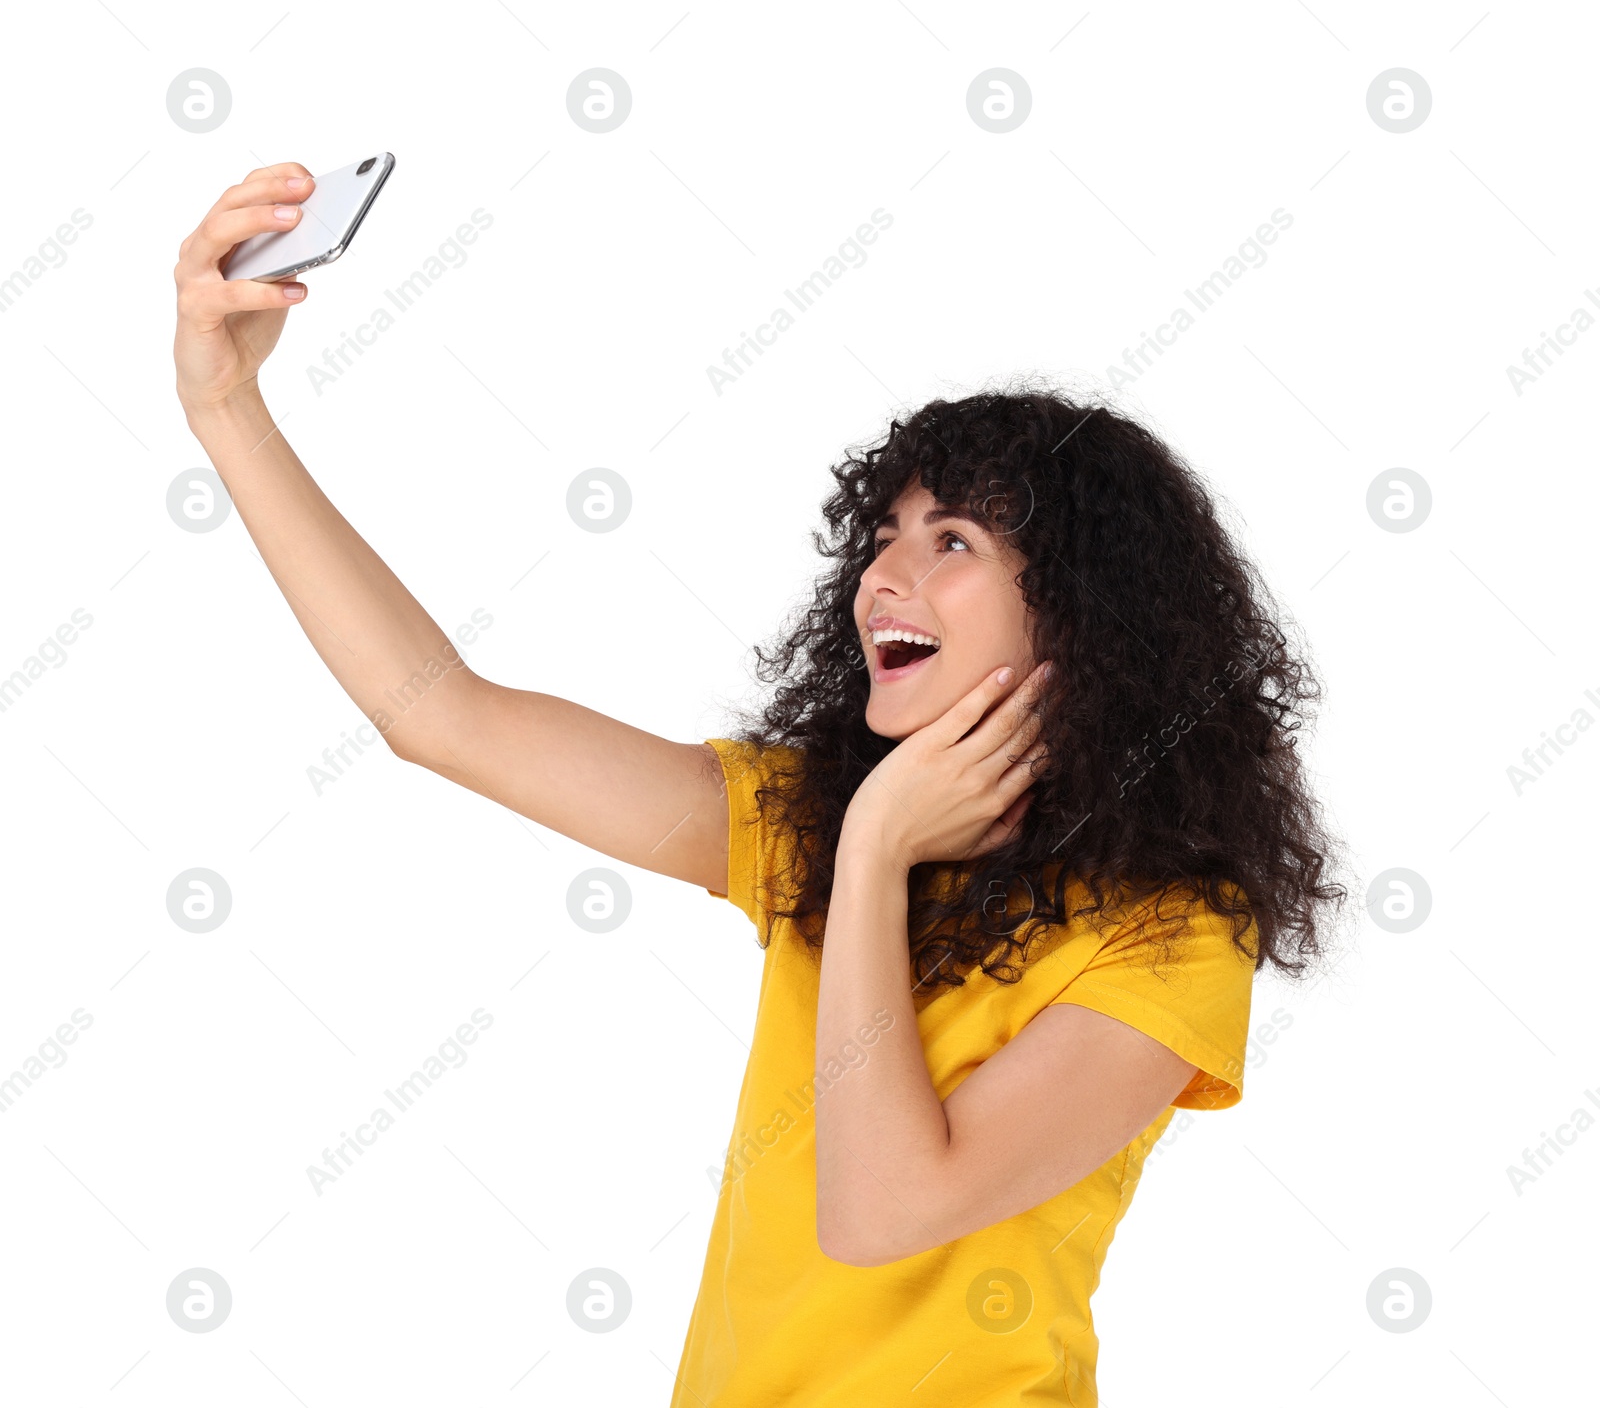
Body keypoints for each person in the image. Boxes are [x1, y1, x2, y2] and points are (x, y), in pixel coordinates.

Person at [174, 163, 1348, 1406]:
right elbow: (442, 717)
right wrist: (230, 414)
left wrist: (877, 858)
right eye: (883, 536)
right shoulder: (816, 822)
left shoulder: (1172, 936)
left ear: (1090, 617)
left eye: (951, 541)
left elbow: (886, 1205)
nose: (883, 577)